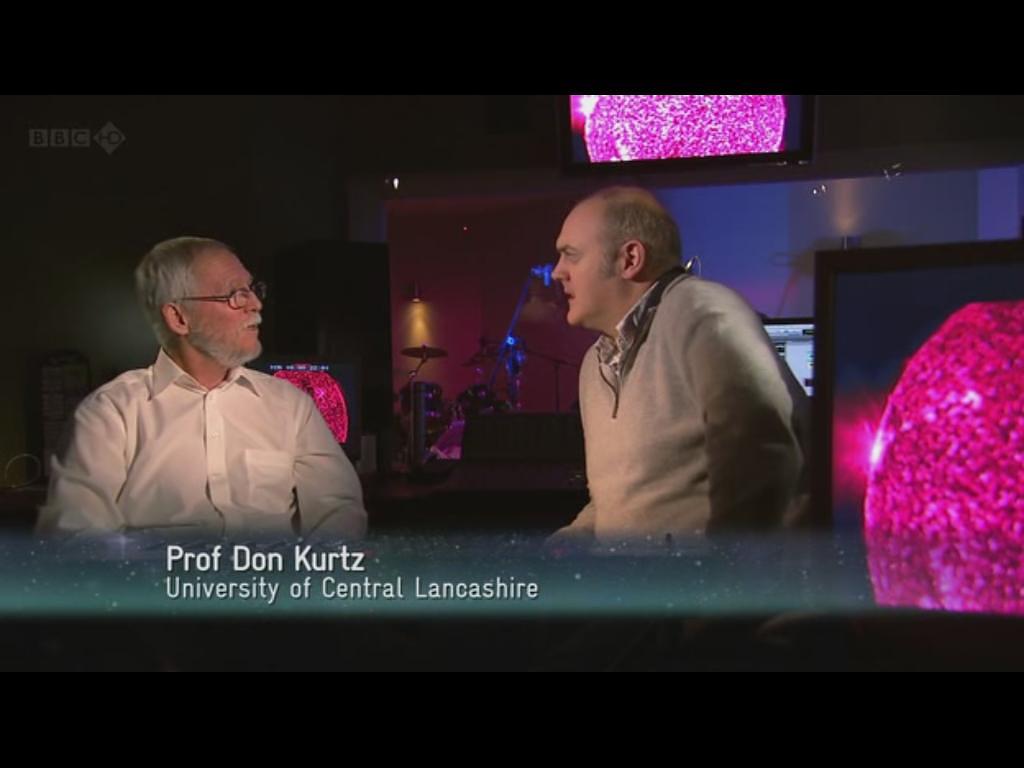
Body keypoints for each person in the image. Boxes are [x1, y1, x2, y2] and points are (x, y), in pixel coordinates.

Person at [40, 236, 367, 539]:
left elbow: (339, 511)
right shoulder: (111, 412)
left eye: (253, 289)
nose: (255, 304)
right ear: (179, 318)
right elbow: (76, 536)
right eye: (235, 294)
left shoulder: (292, 405)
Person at [549, 187, 809, 546]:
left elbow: (764, 464)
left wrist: (715, 572)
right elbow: (625, 501)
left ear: (630, 259)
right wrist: (571, 540)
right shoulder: (594, 364)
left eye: (571, 255)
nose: (556, 272)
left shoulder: (704, 314)